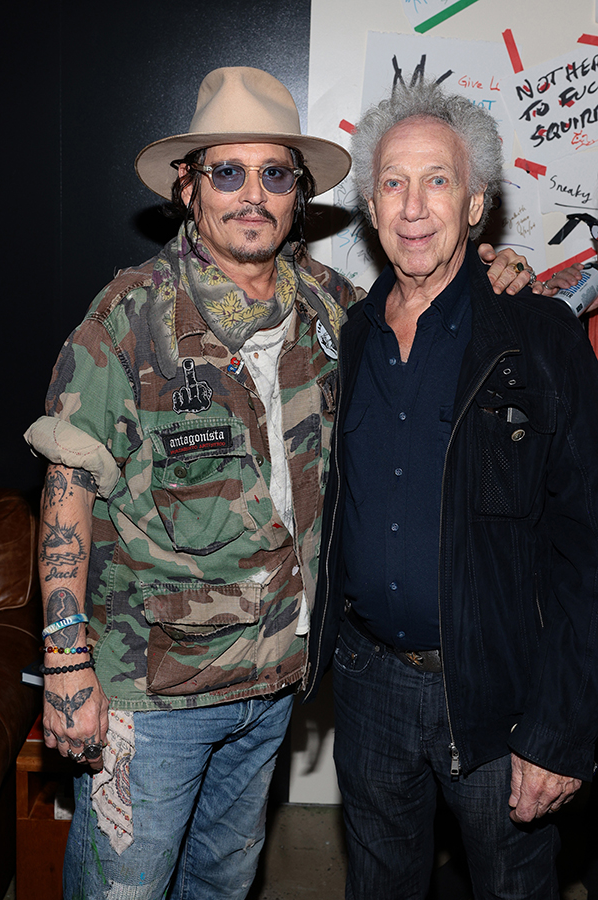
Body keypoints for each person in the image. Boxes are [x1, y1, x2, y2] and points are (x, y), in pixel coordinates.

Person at [25, 66, 544, 900]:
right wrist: (64, 662)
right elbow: (66, 488)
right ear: (188, 189)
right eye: (227, 172)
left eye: (275, 174)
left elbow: (433, 309)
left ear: (298, 193)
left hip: (270, 692)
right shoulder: (127, 319)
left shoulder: (334, 312)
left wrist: (494, 278)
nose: (252, 194)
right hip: (149, 699)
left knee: (222, 887)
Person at [305, 78, 598, 900]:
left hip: (498, 693)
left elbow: (586, 546)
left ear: (475, 205)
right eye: (392, 182)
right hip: (366, 689)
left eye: (438, 180)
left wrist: (563, 730)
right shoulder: (350, 334)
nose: (413, 206)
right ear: (368, 204)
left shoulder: (539, 336)